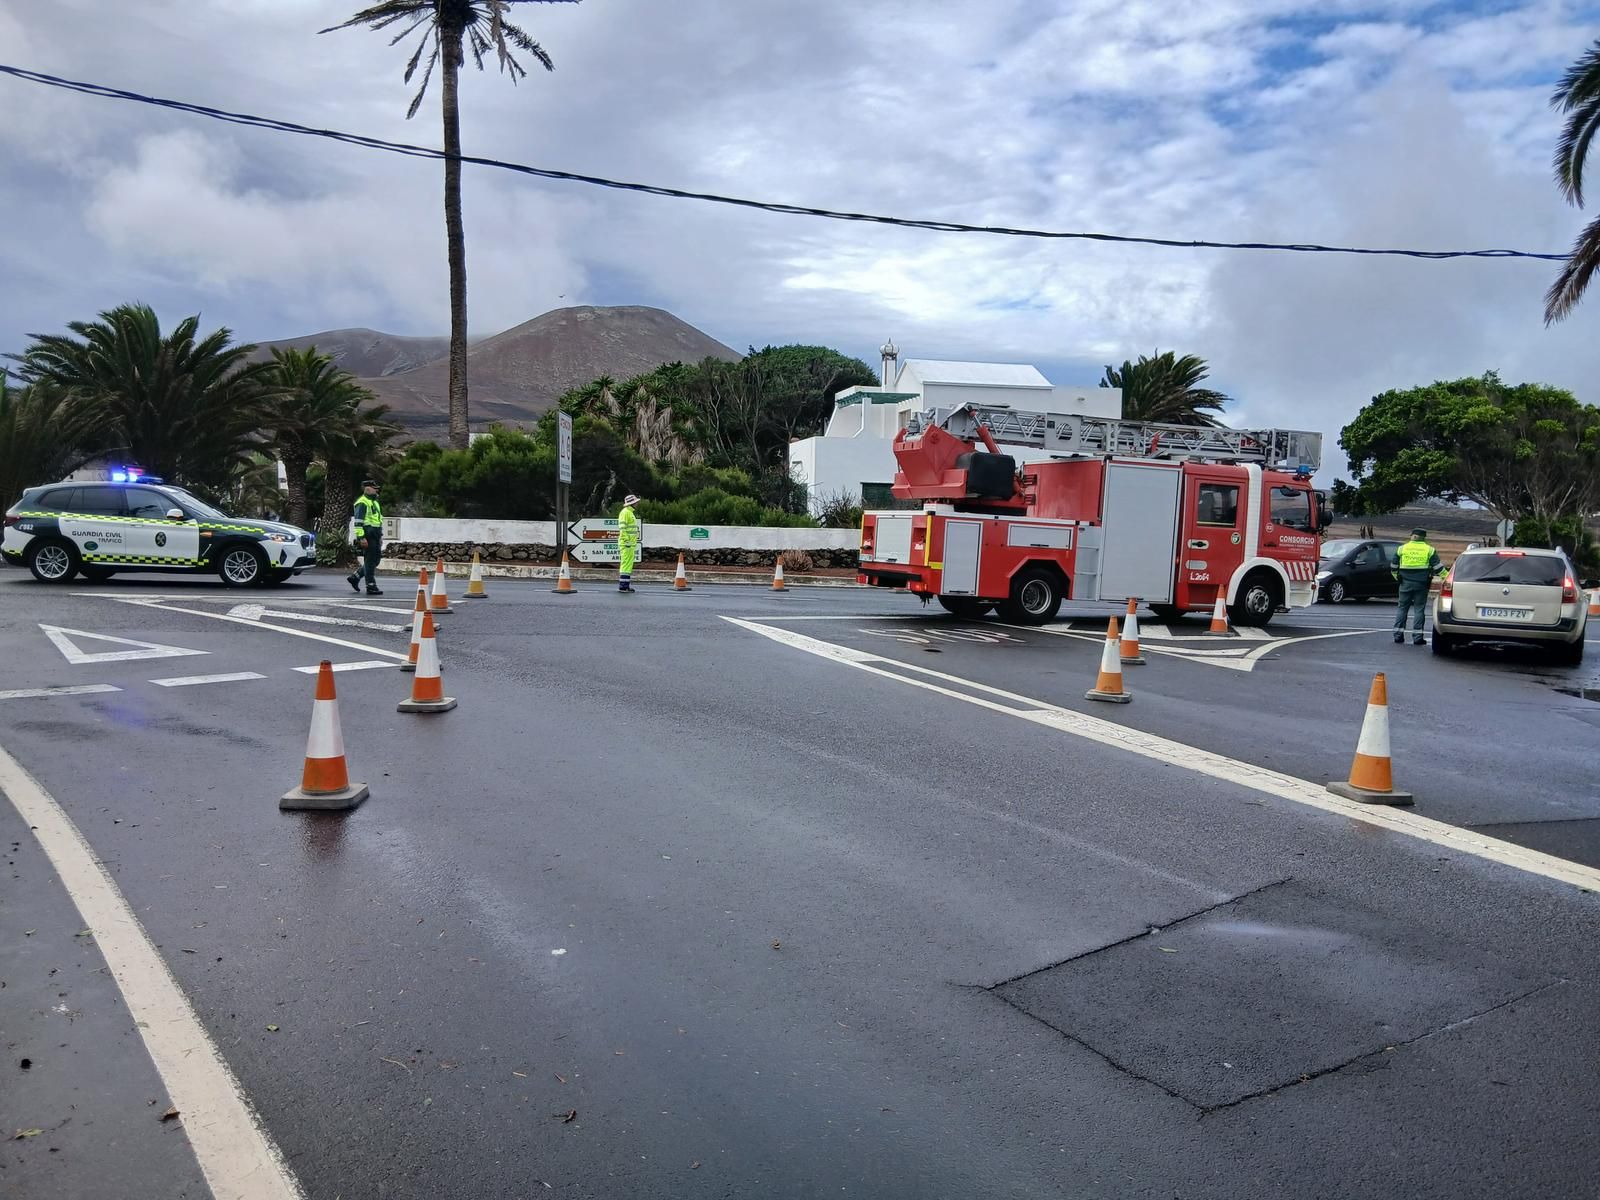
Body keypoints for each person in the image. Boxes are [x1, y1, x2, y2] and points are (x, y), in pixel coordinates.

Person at [1391, 527, 1446, 645]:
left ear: (1412, 536)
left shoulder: (1402, 548)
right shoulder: (1429, 550)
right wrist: (1448, 578)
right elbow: (1439, 568)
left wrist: (1398, 578)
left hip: (1405, 584)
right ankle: (1417, 637)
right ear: (1424, 538)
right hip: (1421, 584)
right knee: (1419, 610)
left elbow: (1393, 566)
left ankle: (1398, 635)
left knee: (1402, 608)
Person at [347, 480, 385, 595]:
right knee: (370, 561)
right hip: (368, 535)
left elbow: (378, 521)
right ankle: (371, 585)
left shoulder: (375, 502)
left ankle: (355, 577)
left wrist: (380, 536)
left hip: (375, 535)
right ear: (367, 489)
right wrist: (361, 537)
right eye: (374, 488)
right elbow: (358, 522)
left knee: (375, 560)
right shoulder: (362, 502)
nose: (376, 490)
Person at [617, 493, 641, 593]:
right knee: (626, 564)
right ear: (631, 503)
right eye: (635, 502)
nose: (637, 504)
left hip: (630, 544)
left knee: (627, 564)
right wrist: (627, 541)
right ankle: (623, 586)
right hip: (627, 544)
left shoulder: (629, 513)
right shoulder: (625, 513)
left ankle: (625, 585)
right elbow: (622, 528)